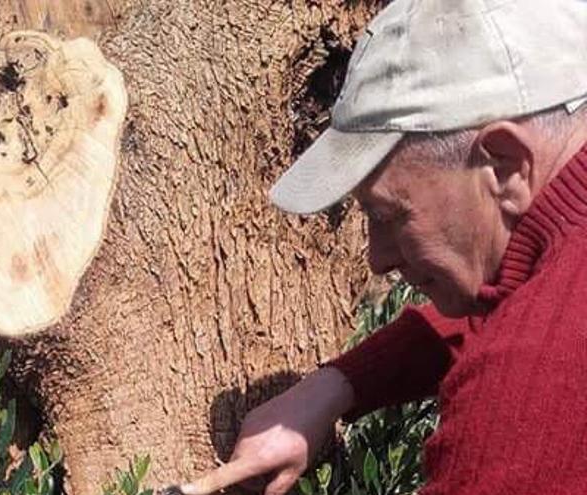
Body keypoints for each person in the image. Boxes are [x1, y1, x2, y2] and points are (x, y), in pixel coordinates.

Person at [178, 0, 587, 494]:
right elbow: (515, 307)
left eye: (389, 216)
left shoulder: (529, 388)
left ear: (505, 166)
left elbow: (539, 342)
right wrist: (337, 385)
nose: (379, 258)